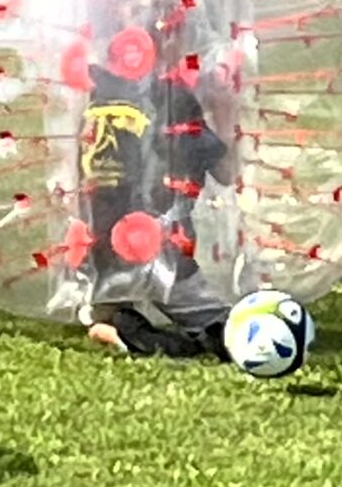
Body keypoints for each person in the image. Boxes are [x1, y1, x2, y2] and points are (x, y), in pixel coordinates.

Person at [70, 18, 236, 359]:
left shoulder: (90, 96)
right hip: (165, 258)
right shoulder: (174, 100)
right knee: (224, 331)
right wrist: (224, 108)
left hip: (96, 257)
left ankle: (109, 318)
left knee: (114, 296)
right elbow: (226, 172)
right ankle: (136, 328)